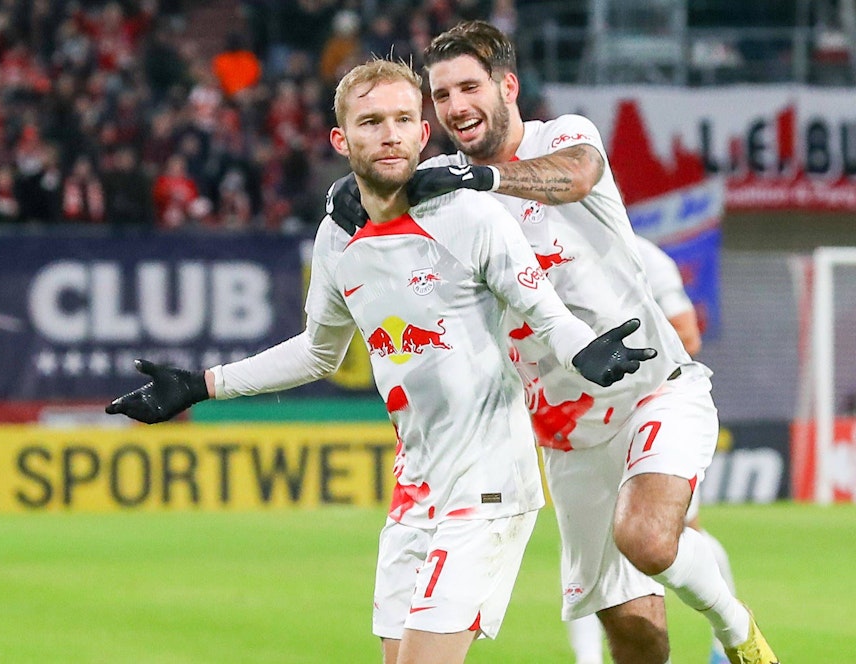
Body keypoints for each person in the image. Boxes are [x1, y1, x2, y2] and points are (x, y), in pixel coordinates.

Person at [105, 58, 656, 664]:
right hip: (415, 489)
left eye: (402, 120)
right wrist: (202, 384)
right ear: (341, 140)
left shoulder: (470, 215)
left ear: (423, 133)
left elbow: (545, 312)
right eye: (371, 122)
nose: (390, 134)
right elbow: (318, 350)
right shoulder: (337, 237)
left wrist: (585, 350)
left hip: (488, 486)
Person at [327, 20, 777, 664]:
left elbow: (577, 175)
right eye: (442, 94)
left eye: (470, 87)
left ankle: (737, 631)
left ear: (507, 87)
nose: (456, 105)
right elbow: (380, 191)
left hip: (651, 391)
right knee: (632, 629)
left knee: (647, 539)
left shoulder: (561, 137)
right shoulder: (444, 195)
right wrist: (349, 192)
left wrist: (480, 179)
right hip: (569, 440)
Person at [565, 235, 738, 664]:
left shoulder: (643, 255)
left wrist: (622, 351)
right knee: (591, 559)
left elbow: (688, 337)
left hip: (650, 413)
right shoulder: (534, 249)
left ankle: (726, 640)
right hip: (581, 424)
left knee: (669, 538)